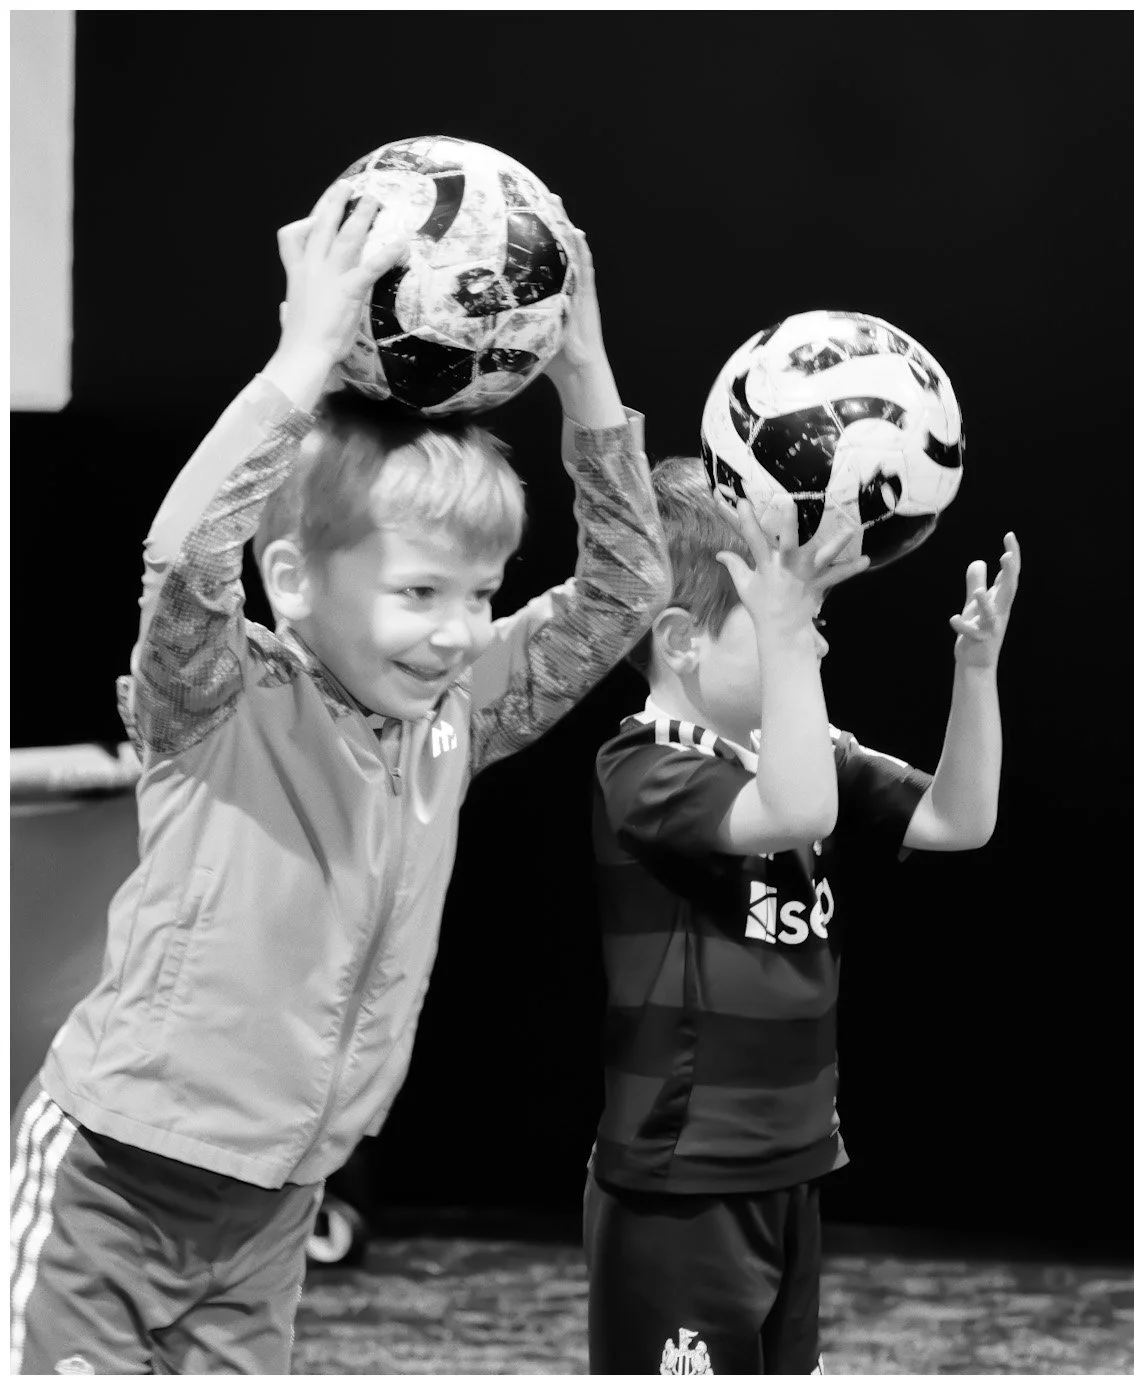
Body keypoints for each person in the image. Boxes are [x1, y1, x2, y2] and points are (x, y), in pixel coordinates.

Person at [9, 181, 668, 1374]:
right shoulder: (217, 695)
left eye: (479, 594)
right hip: (115, 1180)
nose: (462, 631)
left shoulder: (454, 714)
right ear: (296, 580)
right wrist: (298, 363)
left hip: (273, 1205)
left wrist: (588, 381)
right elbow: (184, 560)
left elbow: (623, 595)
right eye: (420, 592)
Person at [584, 459, 1020, 1374]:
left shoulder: (804, 753)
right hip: (682, 1183)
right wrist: (788, 639)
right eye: (787, 627)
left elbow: (959, 820)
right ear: (681, 639)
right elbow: (798, 813)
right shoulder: (642, 765)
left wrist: (973, 672)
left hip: (793, 1162)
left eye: (813, 627)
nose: (816, 648)